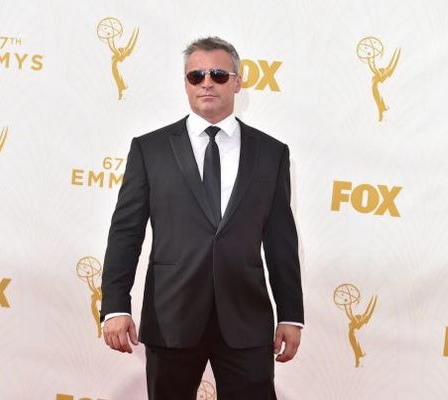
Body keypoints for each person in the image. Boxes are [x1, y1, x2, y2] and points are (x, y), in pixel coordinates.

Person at [100, 36, 304, 400]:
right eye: (196, 76)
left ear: (238, 82)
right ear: (186, 83)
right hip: (171, 315)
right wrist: (115, 305)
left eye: (218, 75)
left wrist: (290, 314)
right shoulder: (150, 149)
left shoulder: (271, 153)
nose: (206, 83)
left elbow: (280, 241)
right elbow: (126, 233)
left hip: (246, 318)